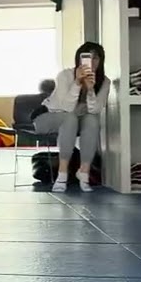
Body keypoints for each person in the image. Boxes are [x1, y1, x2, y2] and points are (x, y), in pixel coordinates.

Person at [33, 42, 108, 193]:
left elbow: (95, 110)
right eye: (87, 58)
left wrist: (91, 89)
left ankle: (84, 173)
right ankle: (62, 174)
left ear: (101, 61)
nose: (91, 63)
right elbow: (66, 108)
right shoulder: (65, 76)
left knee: (92, 120)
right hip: (46, 116)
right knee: (70, 117)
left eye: (96, 59)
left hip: (74, 120)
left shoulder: (104, 82)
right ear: (79, 60)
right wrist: (77, 83)